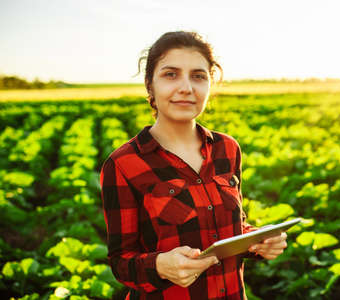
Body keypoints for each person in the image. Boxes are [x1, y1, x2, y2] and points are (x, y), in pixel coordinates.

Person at [100, 31, 288, 300]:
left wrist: (258, 240)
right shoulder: (124, 163)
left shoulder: (227, 149)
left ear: (210, 84)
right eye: (171, 74)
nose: (186, 87)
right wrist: (160, 266)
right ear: (149, 85)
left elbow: (233, 228)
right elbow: (121, 263)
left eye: (198, 76)